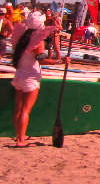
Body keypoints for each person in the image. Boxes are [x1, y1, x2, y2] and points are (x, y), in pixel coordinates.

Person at [9, 11, 62, 147]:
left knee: (18, 109)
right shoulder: (37, 41)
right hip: (30, 78)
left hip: (19, 76)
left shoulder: (21, 38)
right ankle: (21, 140)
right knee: (25, 110)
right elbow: (41, 60)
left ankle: (19, 135)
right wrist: (59, 61)